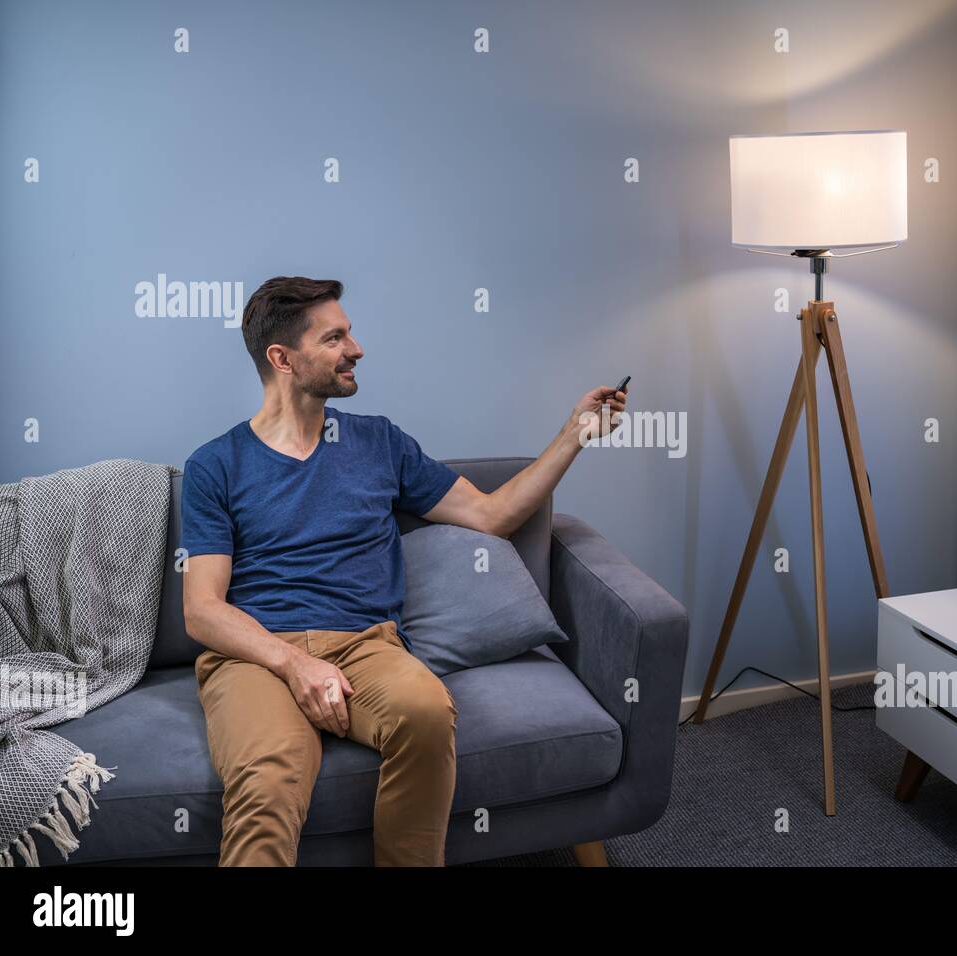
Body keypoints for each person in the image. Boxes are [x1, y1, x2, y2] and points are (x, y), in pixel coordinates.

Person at [180, 276, 627, 866]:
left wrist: (574, 435)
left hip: (367, 645)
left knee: (426, 712)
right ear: (282, 359)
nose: (356, 348)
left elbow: (492, 515)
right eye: (335, 338)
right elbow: (202, 609)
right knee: (269, 779)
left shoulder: (379, 442)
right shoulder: (216, 464)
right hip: (257, 656)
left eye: (350, 333)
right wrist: (294, 664)